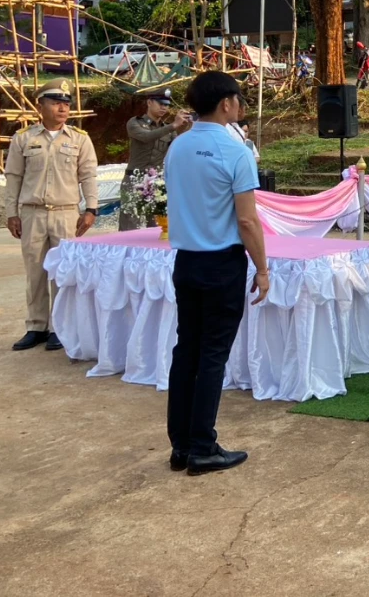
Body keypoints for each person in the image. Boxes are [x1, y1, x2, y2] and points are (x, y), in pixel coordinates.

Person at [163, 70, 269, 476]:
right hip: (221, 262)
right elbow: (247, 222)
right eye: (239, 99)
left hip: (186, 261)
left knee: (186, 351)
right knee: (211, 356)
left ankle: (182, 446)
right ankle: (203, 445)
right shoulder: (235, 151)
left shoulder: (178, 146)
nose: (241, 106)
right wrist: (262, 268)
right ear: (226, 103)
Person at [4, 79, 99, 352]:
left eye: (66, 104)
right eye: (56, 103)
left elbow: (88, 175)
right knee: (34, 272)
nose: (63, 108)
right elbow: (13, 178)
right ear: (40, 105)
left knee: (62, 274)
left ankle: (60, 327)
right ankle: (36, 327)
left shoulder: (80, 139)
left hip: (66, 213)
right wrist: (12, 213)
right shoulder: (24, 138)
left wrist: (91, 208)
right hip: (32, 213)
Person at [119, 89, 191, 231]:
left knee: (158, 227)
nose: (164, 108)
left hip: (156, 184)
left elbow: (179, 150)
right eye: (160, 104)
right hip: (134, 180)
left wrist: (191, 127)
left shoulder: (168, 129)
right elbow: (146, 137)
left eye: (166, 105)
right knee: (130, 226)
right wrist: (173, 126)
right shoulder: (135, 123)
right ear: (149, 102)